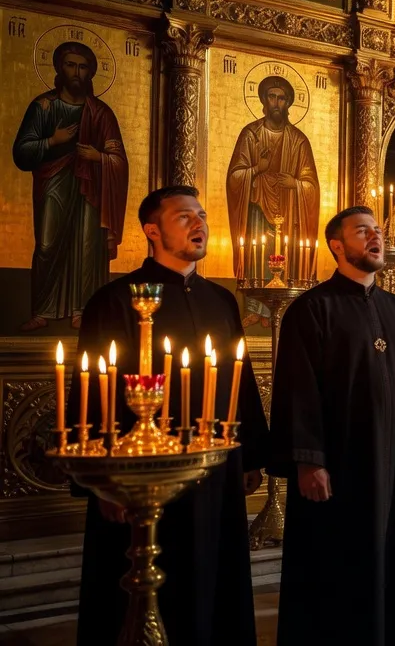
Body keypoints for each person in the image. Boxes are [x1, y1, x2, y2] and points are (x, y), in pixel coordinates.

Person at [74, 186, 267, 646]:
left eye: (201, 215)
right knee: (142, 582)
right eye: (185, 217)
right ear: (152, 230)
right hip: (139, 474)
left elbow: (239, 384)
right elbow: (95, 392)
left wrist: (252, 454)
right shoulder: (116, 300)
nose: (199, 223)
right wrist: (105, 480)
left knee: (213, 576)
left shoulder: (221, 301)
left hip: (216, 470)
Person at [269, 206, 395, 645]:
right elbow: (297, 390)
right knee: (339, 562)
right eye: (363, 231)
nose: (375, 237)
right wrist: (308, 460)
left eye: (377, 230)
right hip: (341, 465)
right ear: (338, 245)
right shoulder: (310, 310)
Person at [12, 40, 128, 331]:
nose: (77, 72)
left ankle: (83, 309)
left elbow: (119, 160)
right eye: (70, 65)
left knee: (88, 248)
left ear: (90, 73)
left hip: (91, 189)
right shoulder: (43, 107)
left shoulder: (101, 113)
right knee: (47, 243)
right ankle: (43, 309)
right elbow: (22, 152)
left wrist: (98, 157)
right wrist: (53, 141)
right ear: (59, 68)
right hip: (53, 184)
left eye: (83, 66)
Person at [226, 74, 321, 327]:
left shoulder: (299, 140)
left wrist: (296, 184)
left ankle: (280, 311)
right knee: (258, 253)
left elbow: (311, 184)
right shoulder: (251, 135)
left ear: (288, 103)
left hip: (290, 210)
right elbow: (235, 176)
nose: (277, 103)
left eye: (282, 98)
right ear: (263, 100)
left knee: (285, 253)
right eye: (272, 97)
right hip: (256, 206)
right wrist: (258, 168)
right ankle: (257, 310)